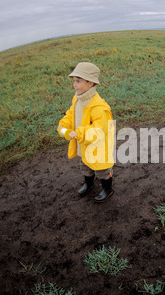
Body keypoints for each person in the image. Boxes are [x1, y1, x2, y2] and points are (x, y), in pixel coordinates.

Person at [57, 62, 114, 203]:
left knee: (102, 170)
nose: (74, 85)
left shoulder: (98, 107)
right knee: (85, 165)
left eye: (78, 81)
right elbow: (72, 114)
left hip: (97, 147)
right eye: (74, 81)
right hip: (84, 145)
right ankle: (89, 184)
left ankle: (107, 189)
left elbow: (100, 129)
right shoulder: (77, 98)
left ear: (91, 83)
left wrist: (79, 134)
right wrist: (64, 125)